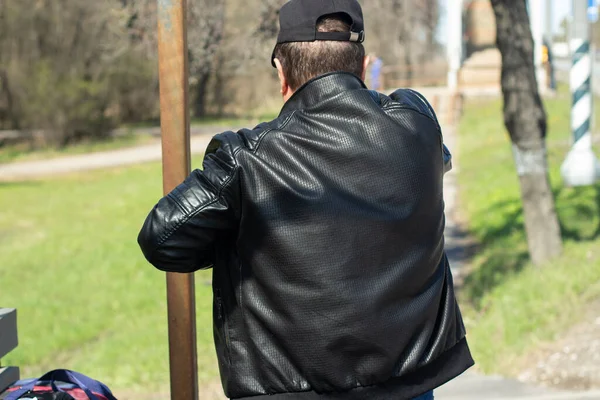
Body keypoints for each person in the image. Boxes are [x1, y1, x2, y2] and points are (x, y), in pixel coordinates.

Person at [137, 0, 474, 399]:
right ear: (364, 68)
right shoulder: (418, 120)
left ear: (281, 73)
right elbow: (437, 160)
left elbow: (161, 238)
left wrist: (245, 236)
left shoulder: (244, 158)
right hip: (409, 386)